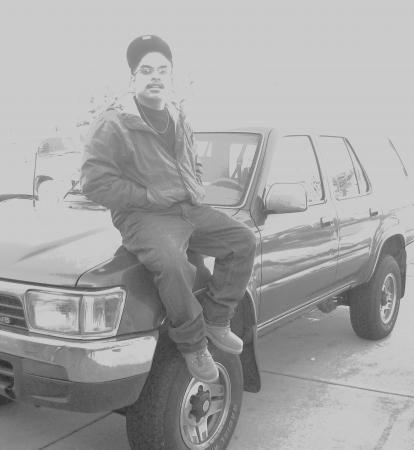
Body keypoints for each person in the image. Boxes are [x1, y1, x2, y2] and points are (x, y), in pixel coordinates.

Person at [80, 35, 256, 383]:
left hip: (187, 208)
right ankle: (193, 344)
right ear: (133, 78)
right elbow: (95, 183)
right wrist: (148, 196)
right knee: (174, 265)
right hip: (143, 216)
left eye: (162, 70)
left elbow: (190, 160)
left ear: (170, 76)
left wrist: (195, 185)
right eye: (146, 70)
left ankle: (216, 319)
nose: (156, 77)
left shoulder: (178, 116)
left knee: (243, 241)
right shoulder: (113, 123)